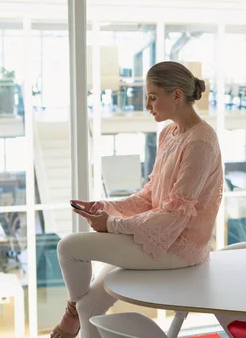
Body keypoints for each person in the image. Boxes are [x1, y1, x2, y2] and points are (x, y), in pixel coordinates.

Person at [51, 61, 223, 338]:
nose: (147, 105)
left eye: (153, 97)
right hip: (159, 236)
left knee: (68, 246)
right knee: (90, 304)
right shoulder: (170, 133)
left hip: (179, 248)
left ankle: (70, 311)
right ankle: (76, 312)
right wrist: (104, 208)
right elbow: (151, 195)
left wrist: (113, 224)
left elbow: (174, 215)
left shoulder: (200, 143)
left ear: (177, 96)